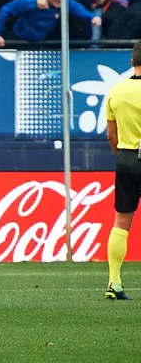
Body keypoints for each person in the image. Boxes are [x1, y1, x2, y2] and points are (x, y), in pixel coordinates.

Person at [104, 41, 141, 301]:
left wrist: (122, 157)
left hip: (127, 159)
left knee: (121, 222)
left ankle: (114, 282)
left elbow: (111, 134)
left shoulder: (116, 91)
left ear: (131, 62)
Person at [0, 0, 100, 47]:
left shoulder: (65, 1)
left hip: (40, 43)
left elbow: (78, 9)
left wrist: (92, 17)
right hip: (17, 40)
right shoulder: (30, 1)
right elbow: (5, 10)